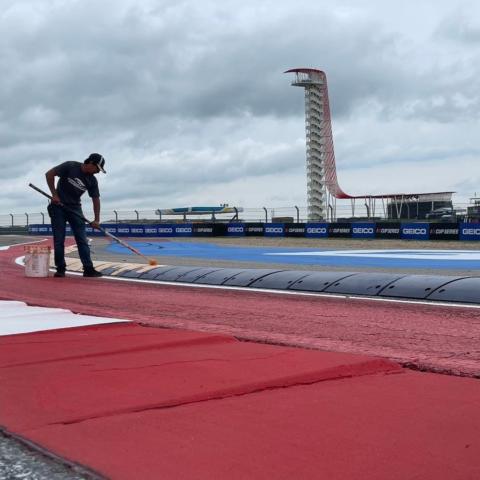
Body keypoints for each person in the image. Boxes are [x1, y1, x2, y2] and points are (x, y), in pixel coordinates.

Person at [45, 153, 106, 278]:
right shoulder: (70, 166)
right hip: (58, 207)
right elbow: (49, 174)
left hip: (75, 208)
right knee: (59, 239)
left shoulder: (92, 180)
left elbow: (96, 199)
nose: (98, 172)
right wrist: (54, 195)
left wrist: (97, 220)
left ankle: (88, 269)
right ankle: (60, 268)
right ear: (90, 163)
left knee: (82, 239)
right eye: (97, 169)